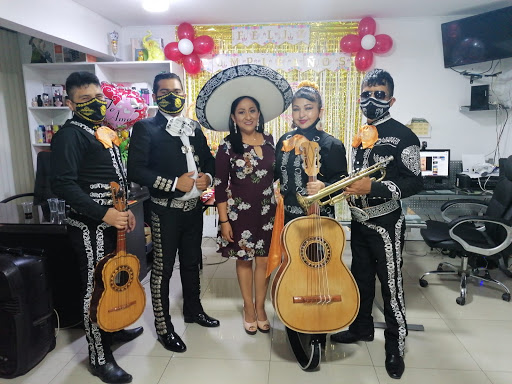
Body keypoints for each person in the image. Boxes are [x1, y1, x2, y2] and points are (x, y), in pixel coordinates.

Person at [330, 69, 423, 380]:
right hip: (359, 221)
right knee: (361, 279)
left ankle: (395, 344)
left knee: (391, 286)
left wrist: (375, 188)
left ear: (391, 99)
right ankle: (361, 328)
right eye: (366, 94)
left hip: (386, 222)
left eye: (379, 95)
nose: (371, 101)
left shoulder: (405, 136)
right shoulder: (361, 134)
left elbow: (414, 183)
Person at [51, 71, 141, 384]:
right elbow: (64, 184)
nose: (95, 104)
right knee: (96, 290)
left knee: (113, 279)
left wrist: (123, 210)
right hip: (89, 226)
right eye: (85, 100)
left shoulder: (101, 130)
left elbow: (112, 179)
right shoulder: (70, 135)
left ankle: (112, 331)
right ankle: (99, 358)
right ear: (70, 103)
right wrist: (104, 214)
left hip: (110, 221)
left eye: (99, 98)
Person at [195, 64, 292, 336]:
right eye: (241, 112)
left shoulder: (273, 142)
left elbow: (278, 176)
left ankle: (261, 308)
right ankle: (248, 308)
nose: (247, 116)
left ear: (259, 113)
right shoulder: (227, 147)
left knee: (264, 261)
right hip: (238, 215)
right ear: (233, 117)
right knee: (244, 260)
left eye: (252, 110)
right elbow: (220, 185)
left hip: (268, 213)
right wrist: (223, 220)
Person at [127, 72, 219, 354]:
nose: (172, 96)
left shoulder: (193, 125)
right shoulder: (145, 128)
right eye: (165, 92)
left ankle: (193, 310)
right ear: (155, 96)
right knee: (163, 270)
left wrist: (207, 178)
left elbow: (209, 161)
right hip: (163, 211)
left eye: (177, 91)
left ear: (184, 94)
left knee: (192, 263)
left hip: (193, 210)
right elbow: (136, 170)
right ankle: (164, 326)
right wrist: (173, 183)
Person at [274, 81, 348, 224]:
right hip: (286, 219)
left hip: (319, 221)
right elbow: (275, 174)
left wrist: (323, 187)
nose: (301, 114)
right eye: (296, 109)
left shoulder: (331, 144)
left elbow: (344, 184)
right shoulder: (285, 140)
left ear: (320, 111)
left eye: (308, 108)